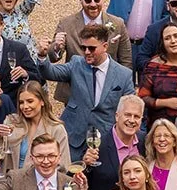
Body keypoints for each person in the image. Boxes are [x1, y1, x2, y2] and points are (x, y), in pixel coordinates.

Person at [40, 25, 138, 163]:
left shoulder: (123, 74)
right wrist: (42, 56)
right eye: (83, 47)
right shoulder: (76, 63)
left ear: (105, 46)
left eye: (91, 48)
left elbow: (131, 107)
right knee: (70, 179)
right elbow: (50, 72)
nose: (86, 52)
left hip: (104, 141)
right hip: (74, 138)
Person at [51, 0, 132, 109]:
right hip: (75, 91)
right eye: (88, 1)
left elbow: (126, 60)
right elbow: (53, 57)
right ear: (80, 0)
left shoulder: (118, 23)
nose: (93, 4)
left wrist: (119, 87)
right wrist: (56, 47)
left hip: (107, 90)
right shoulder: (66, 24)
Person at [0, 82, 69, 171]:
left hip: (41, 183)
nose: (25, 106)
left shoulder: (56, 129)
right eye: (21, 102)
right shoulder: (12, 122)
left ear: (42, 101)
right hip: (10, 181)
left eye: (30, 101)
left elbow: (63, 166)